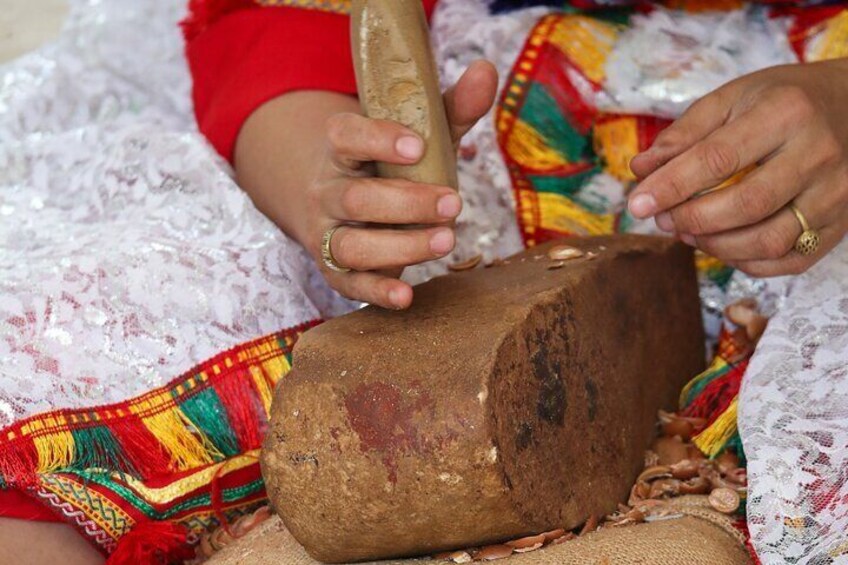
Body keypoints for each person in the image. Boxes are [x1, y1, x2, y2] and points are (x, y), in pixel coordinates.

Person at [0, 0, 845, 563]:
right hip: (456, 136)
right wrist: (327, 184)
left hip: (821, 142)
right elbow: (271, 25)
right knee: (60, 354)